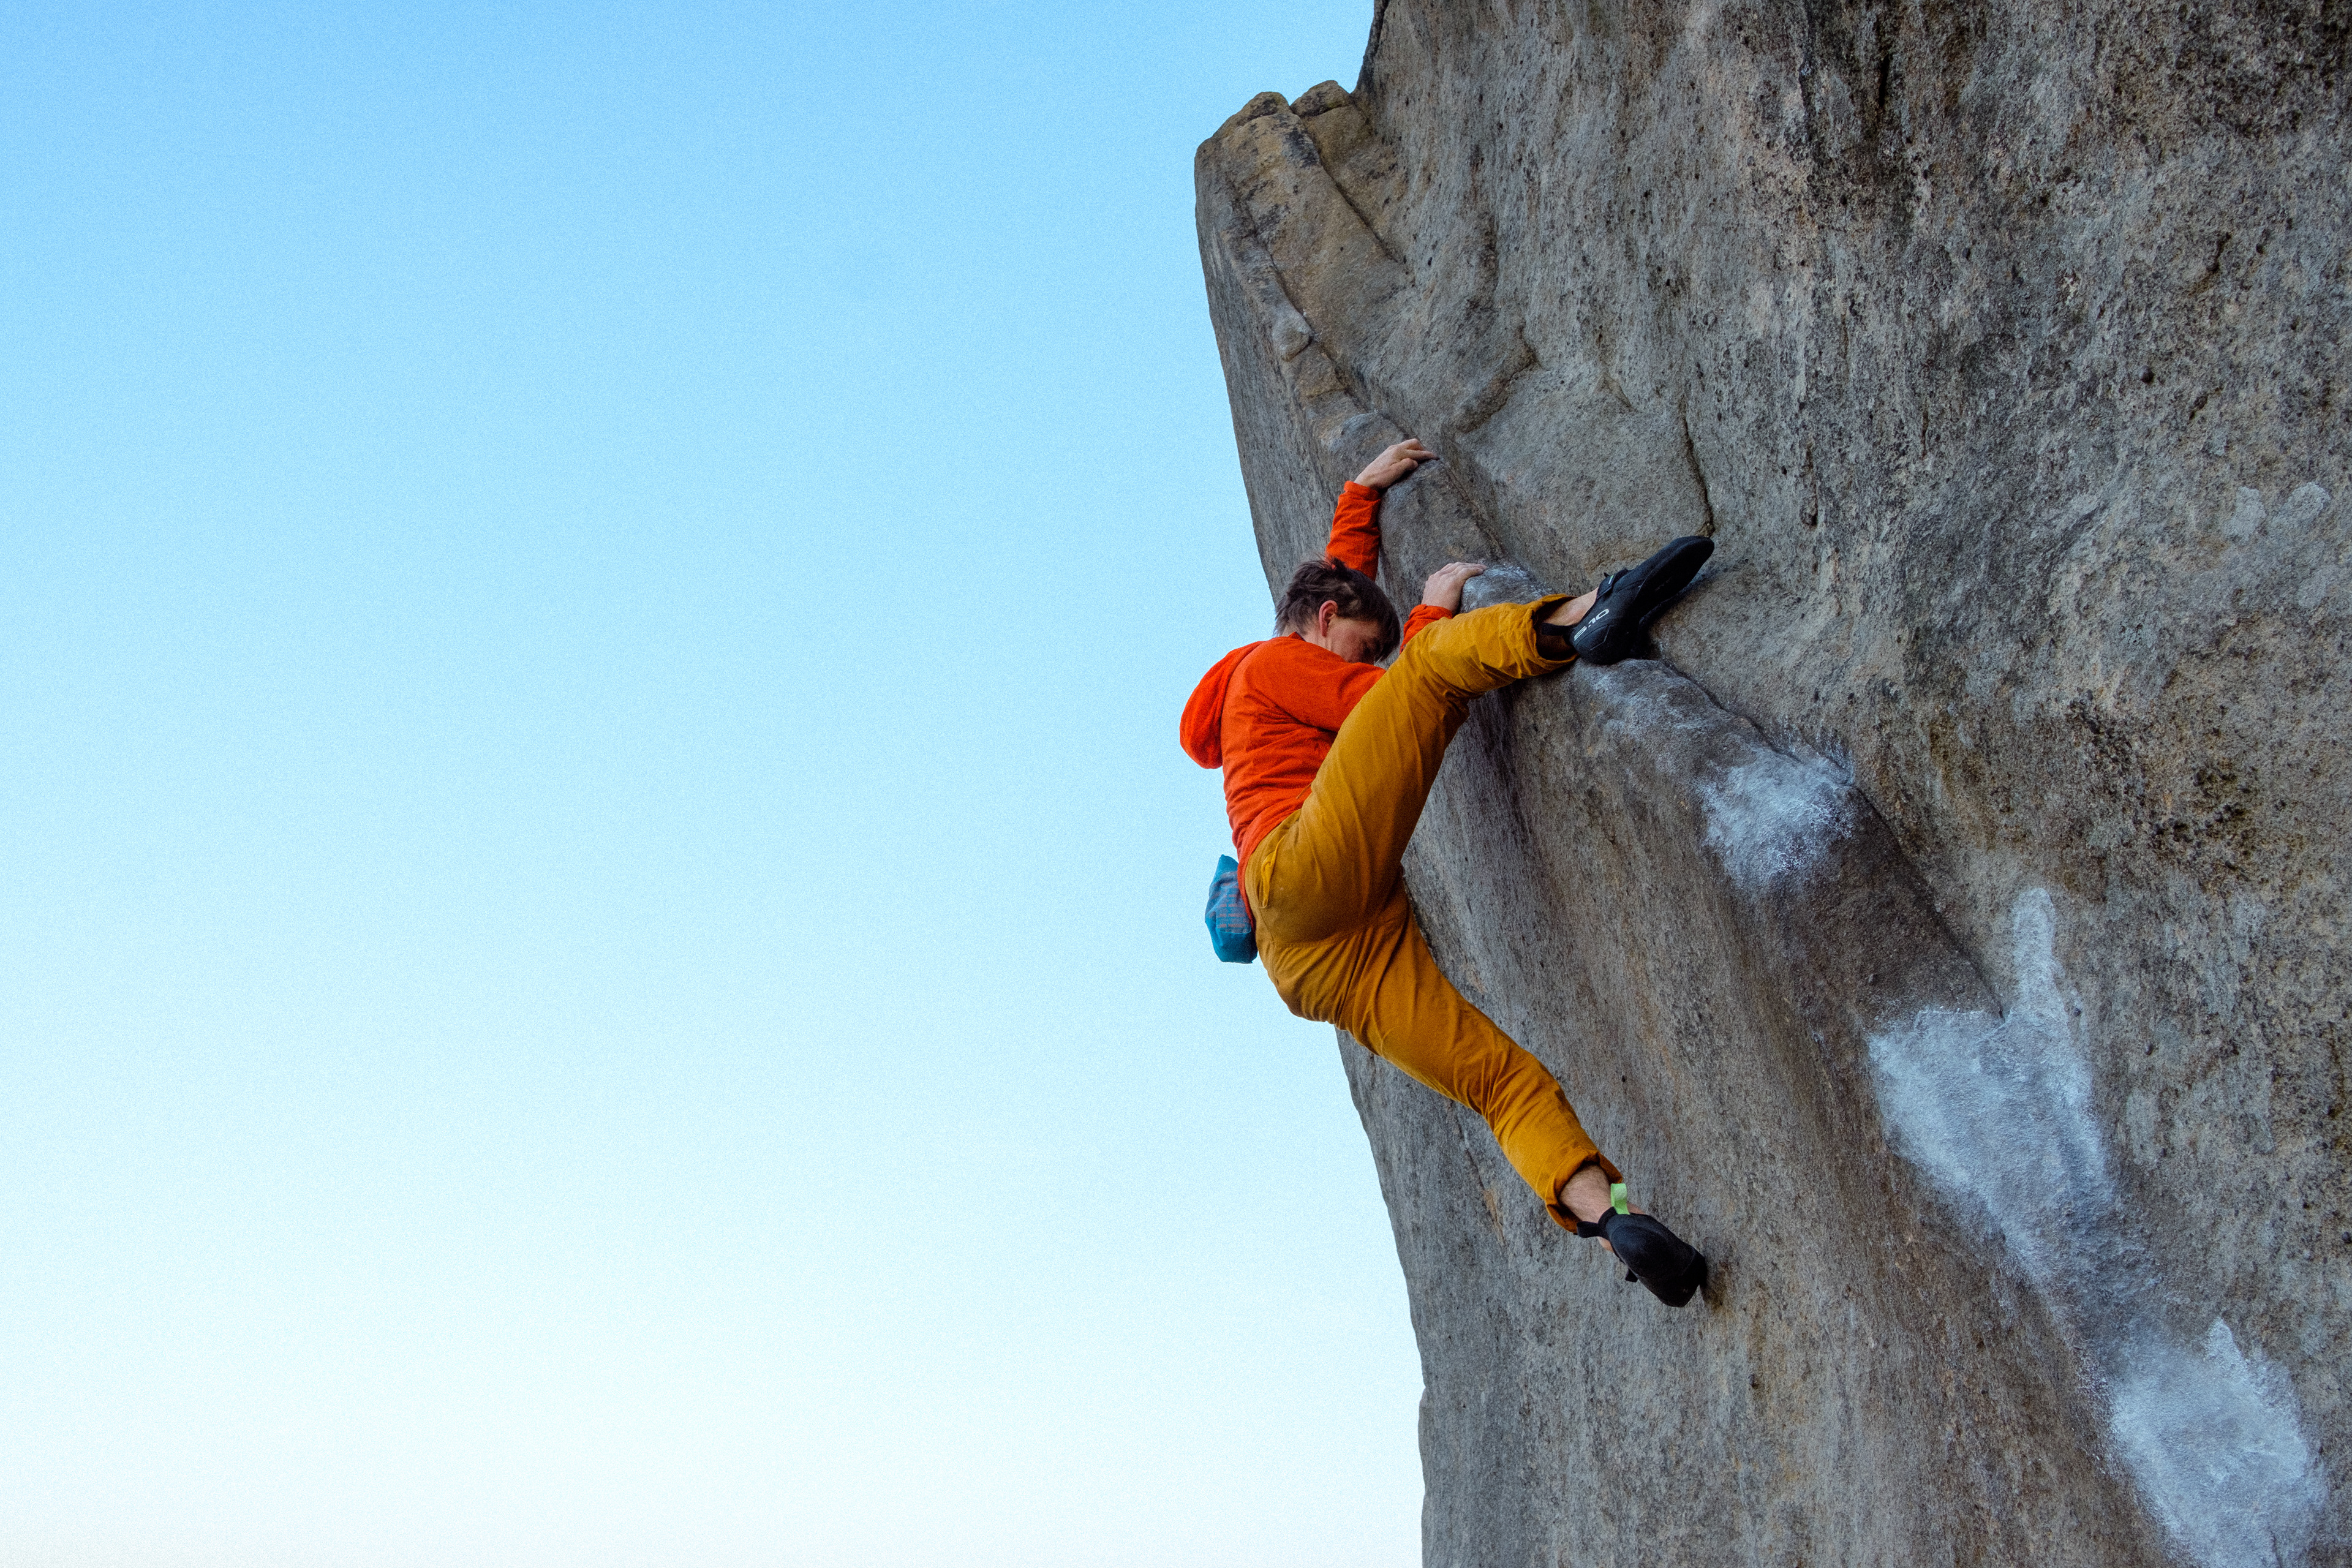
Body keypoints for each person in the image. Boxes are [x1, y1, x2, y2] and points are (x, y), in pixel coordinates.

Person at [1180, 437, 1713, 1306]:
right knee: (1428, 669)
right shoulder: (1273, 666)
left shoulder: (1303, 645)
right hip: (1300, 870)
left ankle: (1614, 1217)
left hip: (1319, 962)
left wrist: (1362, 494)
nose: (1364, 657)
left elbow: (1340, 585)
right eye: (1357, 642)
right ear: (1318, 624)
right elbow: (1378, 694)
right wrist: (1429, 611)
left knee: (1502, 1082)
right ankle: (1584, 616)